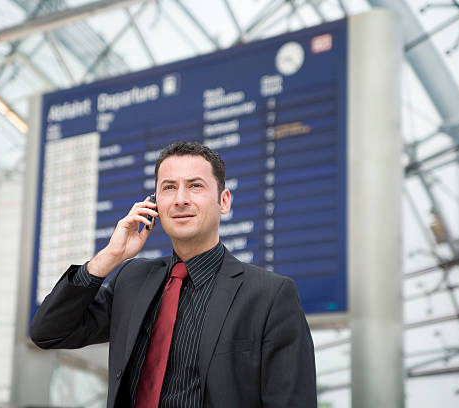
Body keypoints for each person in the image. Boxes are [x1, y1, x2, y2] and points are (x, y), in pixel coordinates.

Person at [30, 141, 317, 407]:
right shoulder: (132, 280)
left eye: (195, 186)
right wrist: (110, 257)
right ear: (155, 205)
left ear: (224, 201)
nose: (180, 199)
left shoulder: (270, 296)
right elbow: (48, 333)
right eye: (169, 188)